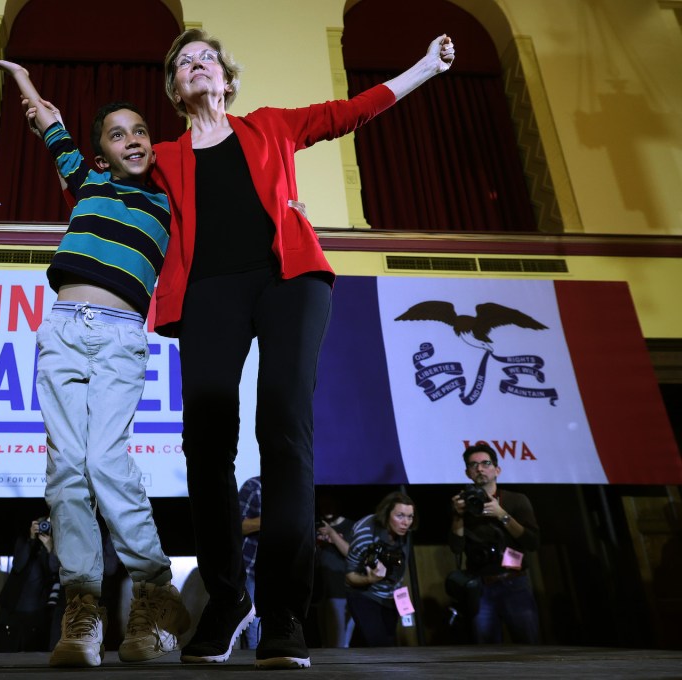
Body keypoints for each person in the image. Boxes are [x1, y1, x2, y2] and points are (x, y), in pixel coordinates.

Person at [149, 28, 455, 668]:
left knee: (283, 425)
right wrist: (46, 118)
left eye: (207, 58)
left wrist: (424, 67)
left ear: (226, 79)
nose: (196, 66)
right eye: (184, 63)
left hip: (287, 280)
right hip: (208, 292)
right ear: (177, 89)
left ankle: (284, 609)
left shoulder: (271, 127)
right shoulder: (165, 158)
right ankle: (228, 600)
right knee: (206, 438)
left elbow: (351, 112)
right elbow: (100, 181)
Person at [0, 58, 190, 668]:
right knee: (66, 469)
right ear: (100, 151)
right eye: (117, 133)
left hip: (123, 334)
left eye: (141, 131)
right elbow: (48, 121)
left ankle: (153, 591)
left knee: (103, 458)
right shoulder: (88, 181)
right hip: (63, 329)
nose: (132, 140)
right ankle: (84, 609)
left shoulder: (171, 201)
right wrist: (22, 79)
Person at [450, 443, 541, 643]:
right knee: (487, 653)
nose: (480, 468)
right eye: (473, 465)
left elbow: (532, 542)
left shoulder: (516, 500)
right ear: (467, 473)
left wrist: (502, 515)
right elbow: (456, 548)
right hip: (481, 587)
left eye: (485, 463)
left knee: (529, 647)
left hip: (515, 582)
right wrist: (457, 516)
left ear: (497, 469)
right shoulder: (463, 505)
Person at [345, 492, 417, 647]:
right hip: (364, 594)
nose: (406, 522)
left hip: (391, 596)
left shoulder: (405, 532)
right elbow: (349, 576)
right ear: (386, 514)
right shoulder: (365, 532)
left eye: (410, 517)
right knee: (379, 645)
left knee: (385, 644)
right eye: (400, 516)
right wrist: (369, 579)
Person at [0, 517, 61, 653]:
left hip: (38, 608)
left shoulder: (55, 545)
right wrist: (31, 539)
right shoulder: (24, 541)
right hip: (14, 606)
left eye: (46, 525)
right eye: (40, 524)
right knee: (7, 647)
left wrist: (50, 548)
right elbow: (18, 565)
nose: (43, 527)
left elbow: (55, 570)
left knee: (32, 649)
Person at [314, 508, 355, 648]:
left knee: (339, 644)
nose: (327, 505)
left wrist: (332, 533)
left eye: (330, 501)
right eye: (324, 502)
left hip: (341, 591)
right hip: (321, 591)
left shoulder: (350, 526)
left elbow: (352, 553)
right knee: (326, 644)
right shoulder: (316, 525)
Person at [238, 475, 262, 648]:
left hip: (284, 570)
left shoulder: (295, 486)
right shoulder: (254, 486)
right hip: (253, 568)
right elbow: (238, 525)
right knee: (253, 626)